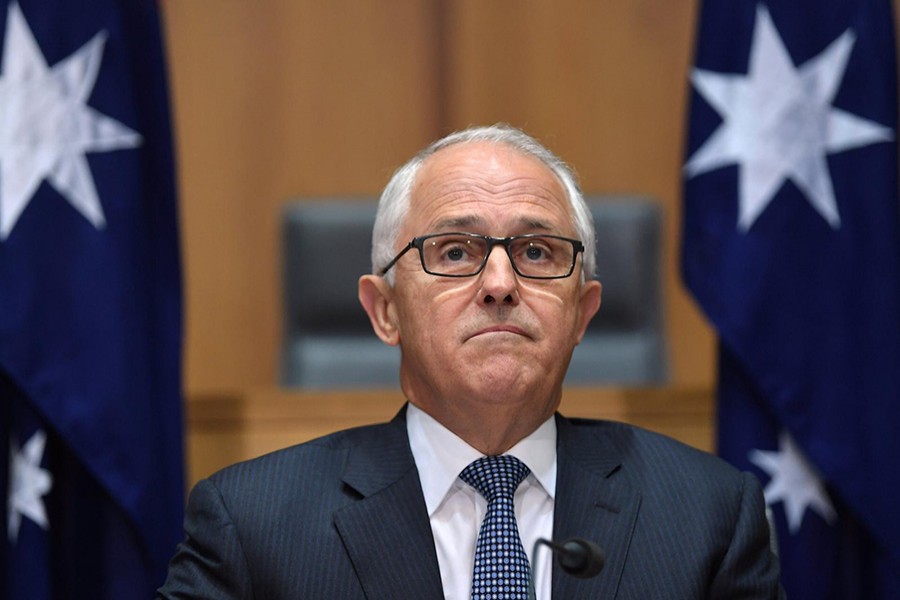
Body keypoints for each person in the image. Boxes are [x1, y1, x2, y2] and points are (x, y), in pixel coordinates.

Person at [157, 124, 785, 599]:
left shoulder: (708, 516)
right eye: (455, 252)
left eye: (537, 252)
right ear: (385, 311)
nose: (501, 282)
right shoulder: (252, 525)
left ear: (583, 314)